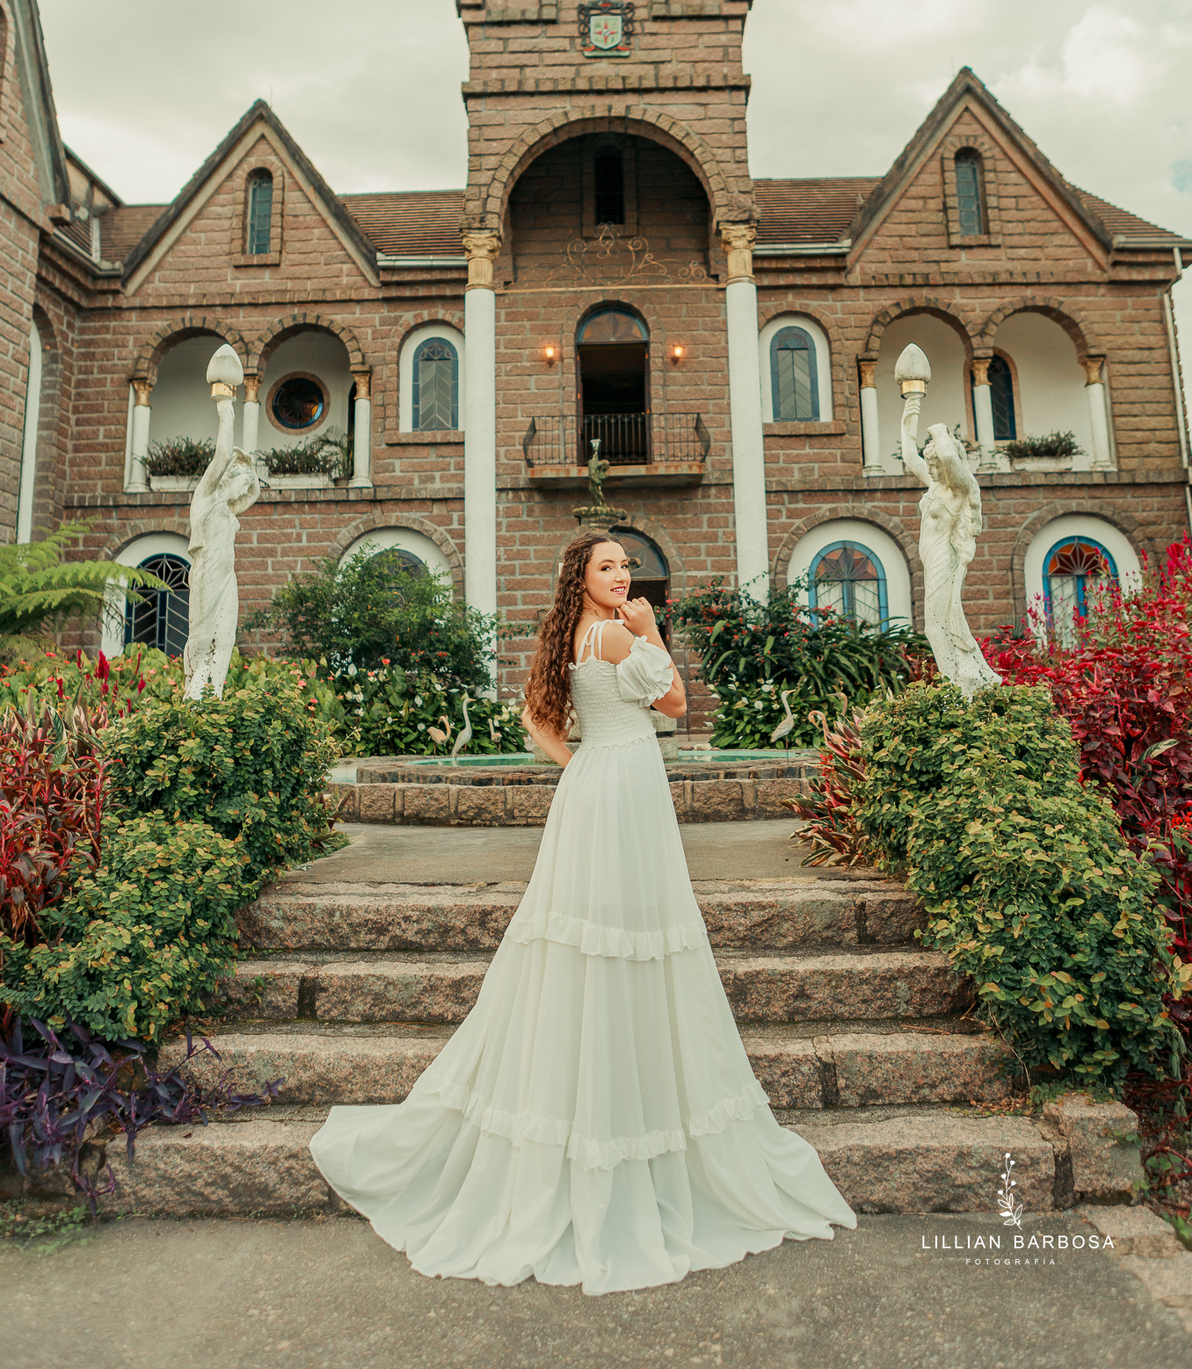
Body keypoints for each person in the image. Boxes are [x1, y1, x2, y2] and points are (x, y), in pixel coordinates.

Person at [309, 532, 856, 1293]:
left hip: (603, 784)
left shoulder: (575, 634)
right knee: (621, 940)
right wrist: (651, 632)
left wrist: (583, 764)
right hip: (621, 787)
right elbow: (675, 700)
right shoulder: (607, 632)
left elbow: (539, 720)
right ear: (583, 580)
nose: (622, 574)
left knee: (604, 940)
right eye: (608, 566)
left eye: (627, 565)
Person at [899, 398, 1000, 695]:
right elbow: (908, 455)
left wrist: (938, 430)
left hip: (945, 557)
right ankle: (967, 676)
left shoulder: (959, 487)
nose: (929, 468)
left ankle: (955, 687)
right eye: (929, 464)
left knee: (935, 625)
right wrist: (910, 416)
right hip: (930, 560)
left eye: (935, 464)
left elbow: (948, 455)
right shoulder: (934, 484)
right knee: (940, 623)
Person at [182, 391, 259, 699]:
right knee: (201, 638)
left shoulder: (229, 511)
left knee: (225, 636)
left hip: (227, 578)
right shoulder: (207, 498)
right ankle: (193, 696)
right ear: (227, 478)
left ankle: (211, 696)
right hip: (206, 577)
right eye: (241, 483)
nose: (243, 493)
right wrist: (226, 410)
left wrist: (250, 468)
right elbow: (222, 455)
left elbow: (251, 496)